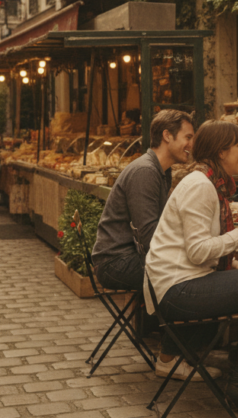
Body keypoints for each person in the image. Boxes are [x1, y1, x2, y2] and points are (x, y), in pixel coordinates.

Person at [145, 121, 238, 414]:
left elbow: (202, 249)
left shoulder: (208, 182)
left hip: (182, 281)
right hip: (177, 291)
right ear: (221, 150)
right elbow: (198, 250)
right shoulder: (200, 186)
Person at [90, 109, 200, 380]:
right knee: (191, 277)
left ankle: (187, 348)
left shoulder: (161, 171)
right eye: (187, 137)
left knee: (195, 268)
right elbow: (150, 237)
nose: (191, 144)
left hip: (128, 255)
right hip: (115, 262)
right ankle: (169, 357)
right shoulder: (145, 172)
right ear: (166, 136)